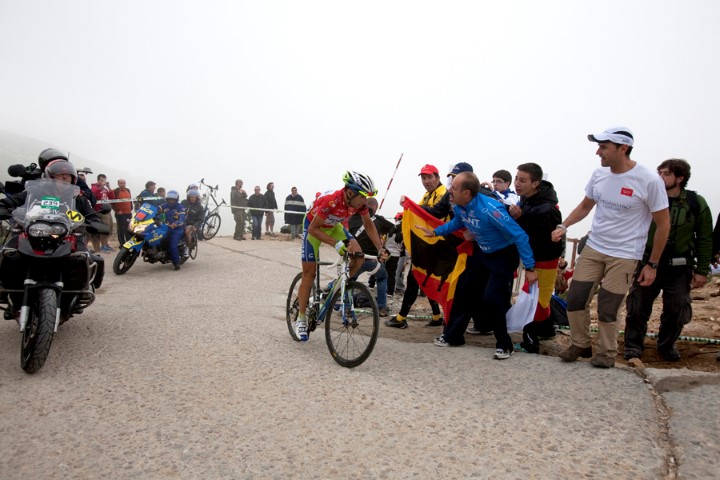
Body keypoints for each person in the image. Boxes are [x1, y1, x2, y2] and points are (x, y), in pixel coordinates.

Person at [552, 126, 670, 369]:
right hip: (594, 248)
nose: (598, 152)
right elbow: (585, 206)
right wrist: (564, 226)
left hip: (625, 255)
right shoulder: (599, 175)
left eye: (604, 147)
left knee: (608, 306)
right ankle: (581, 344)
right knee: (575, 298)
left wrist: (652, 264)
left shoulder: (648, 180)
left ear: (623, 148)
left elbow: (663, 223)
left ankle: (606, 353)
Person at [417, 172, 538, 359]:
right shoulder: (459, 206)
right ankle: (453, 336)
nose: (450, 190)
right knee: (464, 291)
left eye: (454, 188)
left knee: (492, 298)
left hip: (503, 256)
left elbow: (520, 236)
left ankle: (504, 344)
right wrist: (435, 232)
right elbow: (458, 222)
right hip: (482, 253)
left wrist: (530, 269)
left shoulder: (491, 209)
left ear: (467, 193)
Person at [623, 159, 713, 362]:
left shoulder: (696, 203)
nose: (660, 177)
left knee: (677, 307)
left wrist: (702, 270)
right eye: (659, 172)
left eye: (666, 174)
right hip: (647, 262)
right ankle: (633, 346)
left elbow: (705, 238)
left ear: (680, 178)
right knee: (637, 306)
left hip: (680, 266)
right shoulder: (648, 198)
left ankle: (666, 345)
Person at [293, 171, 384, 342]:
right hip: (313, 227)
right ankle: (301, 318)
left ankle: (334, 288)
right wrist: (335, 243)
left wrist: (380, 248)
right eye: (363, 196)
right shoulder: (331, 201)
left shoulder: (359, 203)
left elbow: (368, 224)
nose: (365, 201)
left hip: (333, 226)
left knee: (359, 256)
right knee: (309, 274)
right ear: (350, 192)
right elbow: (314, 229)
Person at [509, 162, 564, 353]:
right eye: (516, 178)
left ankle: (530, 343)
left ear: (535, 183)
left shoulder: (547, 209)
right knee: (539, 298)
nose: (517, 183)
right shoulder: (525, 200)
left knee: (533, 301)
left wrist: (532, 269)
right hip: (532, 260)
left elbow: (544, 241)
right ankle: (548, 330)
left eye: (522, 180)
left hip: (543, 262)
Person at [386, 164, 447, 328]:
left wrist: (410, 205)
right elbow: (417, 212)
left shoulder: (443, 194)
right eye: (423, 178)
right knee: (423, 281)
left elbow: (430, 212)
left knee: (414, 279)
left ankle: (401, 318)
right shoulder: (428, 194)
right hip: (429, 245)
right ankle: (436, 316)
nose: (426, 181)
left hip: (438, 245)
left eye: (429, 177)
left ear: (437, 177)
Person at [348, 197, 393, 316]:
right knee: (382, 278)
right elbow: (394, 228)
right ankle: (382, 308)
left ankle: (347, 307)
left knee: (349, 281)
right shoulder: (379, 219)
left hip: (358, 259)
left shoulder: (351, 219)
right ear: (375, 208)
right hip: (374, 260)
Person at [160, 190, 186, 270]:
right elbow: (157, 209)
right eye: (169, 199)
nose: (171, 201)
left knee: (172, 245)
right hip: (166, 227)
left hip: (177, 230)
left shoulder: (180, 207)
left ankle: (176, 263)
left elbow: (182, 218)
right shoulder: (165, 205)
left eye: (173, 200)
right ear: (167, 199)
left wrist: (176, 223)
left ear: (176, 199)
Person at [90, 174, 115, 253]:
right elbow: (92, 196)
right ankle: (102, 246)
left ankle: (106, 245)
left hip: (107, 210)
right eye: (101, 180)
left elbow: (112, 197)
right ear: (98, 181)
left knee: (108, 229)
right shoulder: (94, 188)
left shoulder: (105, 189)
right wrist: (100, 187)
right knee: (102, 229)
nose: (103, 182)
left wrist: (109, 187)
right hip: (99, 211)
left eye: (104, 180)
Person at [112, 179, 133, 246]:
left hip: (128, 212)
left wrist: (131, 207)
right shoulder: (116, 191)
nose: (123, 184)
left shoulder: (128, 190)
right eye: (121, 183)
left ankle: (128, 242)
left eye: (124, 183)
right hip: (120, 214)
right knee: (121, 229)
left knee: (129, 228)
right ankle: (122, 243)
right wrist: (117, 211)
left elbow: (130, 199)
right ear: (118, 184)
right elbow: (112, 202)